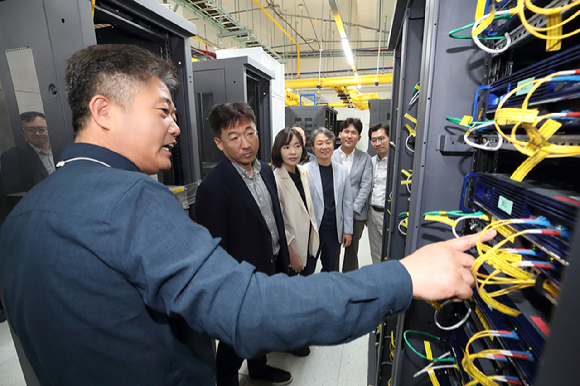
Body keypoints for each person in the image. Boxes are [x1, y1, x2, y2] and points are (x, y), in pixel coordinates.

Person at [0, 43, 494, 386]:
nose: (175, 127)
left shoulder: (26, 214)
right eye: (164, 111)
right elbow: (249, 310)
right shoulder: (127, 199)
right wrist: (403, 277)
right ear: (105, 111)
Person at [194, 102, 292, 386]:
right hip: (240, 281)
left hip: (270, 267)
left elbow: (272, 222)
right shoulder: (213, 188)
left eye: (250, 133)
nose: (245, 144)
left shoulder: (265, 171)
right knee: (233, 343)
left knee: (261, 329)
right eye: (234, 138)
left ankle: (259, 370)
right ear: (219, 144)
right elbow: (214, 249)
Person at [272, 127, 319, 277]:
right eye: (286, 147)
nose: (293, 152)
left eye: (297, 146)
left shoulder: (304, 172)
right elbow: (277, 221)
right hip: (292, 246)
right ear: (278, 150)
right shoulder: (275, 179)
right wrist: (290, 253)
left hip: (309, 243)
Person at [307, 128, 353, 272]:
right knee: (307, 269)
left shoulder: (342, 171)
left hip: (333, 230)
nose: (325, 147)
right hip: (312, 231)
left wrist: (348, 230)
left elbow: (347, 202)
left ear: (333, 145)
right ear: (313, 148)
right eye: (319, 143)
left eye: (328, 142)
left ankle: (327, 293)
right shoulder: (304, 171)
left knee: (330, 269)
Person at [331, 118, 372, 272]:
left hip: (356, 214)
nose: (349, 135)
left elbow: (365, 186)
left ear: (359, 137)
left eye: (354, 132)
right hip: (334, 213)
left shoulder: (365, 159)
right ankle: (333, 279)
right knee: (333, 250)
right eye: (346, 131)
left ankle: (350, 280)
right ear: (340, 134)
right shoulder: (330, 156)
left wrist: (352, 208)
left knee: (352, 251)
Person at [1, 111, 55, 194]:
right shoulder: (13, 157)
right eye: (31, 130)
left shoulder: (64, 148)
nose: (37, 133)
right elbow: (15, 193)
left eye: (42, 129)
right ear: (22, 132)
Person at [368, 123, 390, 264]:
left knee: (391, 252)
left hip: (389, 214)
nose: (377, 143)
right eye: (374, 140)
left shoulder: (398, 162)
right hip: (372, 213)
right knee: (376, 253)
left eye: (381, 138)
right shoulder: (370, 162)